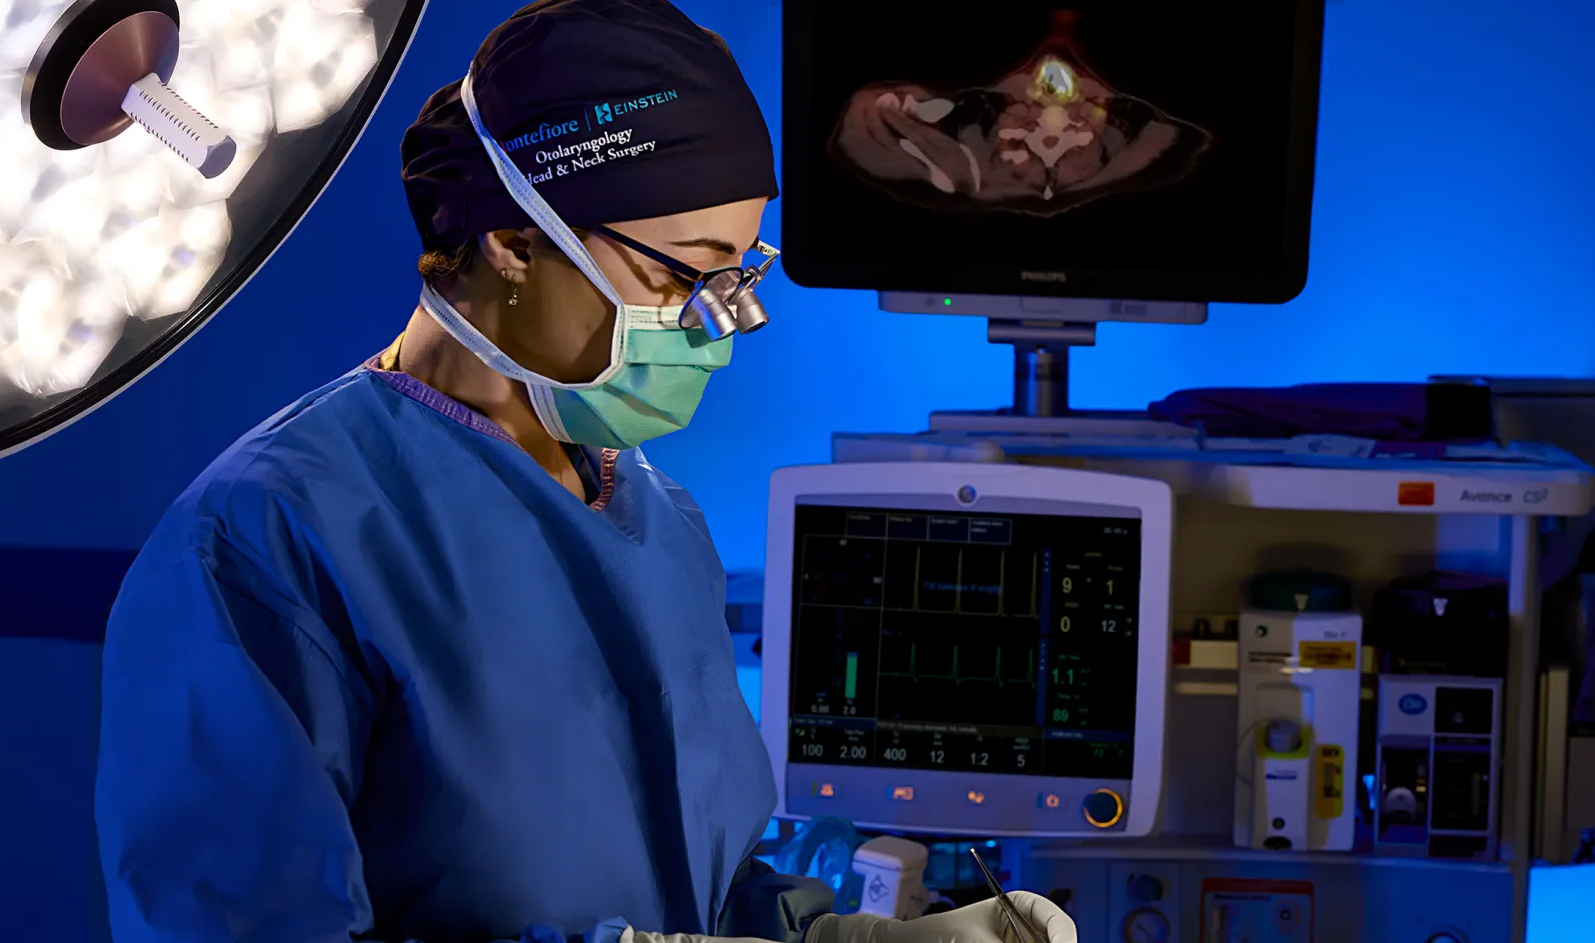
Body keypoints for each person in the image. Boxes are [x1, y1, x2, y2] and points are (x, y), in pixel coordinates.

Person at [92, 2, 1078, 942]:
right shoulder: (268, 540)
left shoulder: (655, 516)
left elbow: (700, 881)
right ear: (515, 241)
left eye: (741, 270)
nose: (725, 317)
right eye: (683, 273)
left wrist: (835, 935)